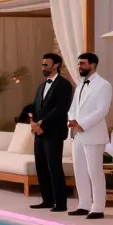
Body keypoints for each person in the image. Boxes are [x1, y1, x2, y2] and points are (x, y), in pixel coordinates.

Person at [67, 53, 113, 220]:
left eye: (83, 63)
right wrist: (71, 121)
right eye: (79, 63)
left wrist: (82, 124)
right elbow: (72, 108)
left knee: (94, 171)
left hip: (93, 134)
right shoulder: (80, 85)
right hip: (77, 134)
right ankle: (84, 204)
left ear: (93, 65)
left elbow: (102, 110)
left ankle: (98, 207)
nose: (80, 66)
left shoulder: (104, 85)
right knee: (79, 171)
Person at [30, 53, 73, 213]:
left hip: (54, 132)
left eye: (46, 64)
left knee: (54, 167)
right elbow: (35, 107)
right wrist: (33, 123)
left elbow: (61, 109)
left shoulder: (64, 85)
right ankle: (47, 200)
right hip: (39, 133)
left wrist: (42, 123)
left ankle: (60, 203)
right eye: (42, 64)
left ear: (56, 65)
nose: (43, 67)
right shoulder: (41, 86)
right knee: (41, 166)